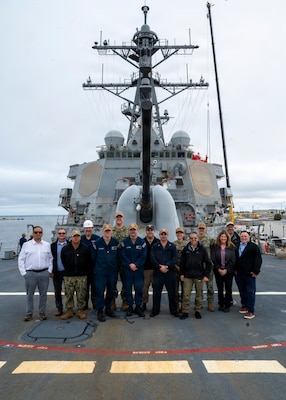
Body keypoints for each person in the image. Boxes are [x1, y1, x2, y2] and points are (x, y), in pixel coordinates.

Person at [18, 226, 53, 321]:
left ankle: (42, 312)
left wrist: (49, 270)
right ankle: (29, 313)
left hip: (44, 273)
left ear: (42, 233)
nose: (38, 234)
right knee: (30, 294)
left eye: (40, 232)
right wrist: (23, 273)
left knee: (43, 294)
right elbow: (21, 259)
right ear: (33, 233)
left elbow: (50, 258)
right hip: (31, 273)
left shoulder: (47, 245)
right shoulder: (26, 245)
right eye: (36, 232)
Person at [61, 230, 93, 320]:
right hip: (68, 276)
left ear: (80, 237)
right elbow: (63, 260)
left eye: (78, 236)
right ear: (71, 237)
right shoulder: (65, 249)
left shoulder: (85, 249)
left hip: (81, 276)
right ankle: (69, 310)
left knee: (81, 294)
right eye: (74, 236)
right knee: (69, 294)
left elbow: (88, 262)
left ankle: (80, 310)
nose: (76, 237)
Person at [180, 232, 212, 320]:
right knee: (186, 294)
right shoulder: (186, 249)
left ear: (198, 239)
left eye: (195, 238)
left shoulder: (202, 249)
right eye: (191, 238)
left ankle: (197, 311)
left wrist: (206, 275)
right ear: (188, 239)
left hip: (199, 275)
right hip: (188, 275)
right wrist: (182, 274)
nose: (193, 240)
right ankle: (185, 311)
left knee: (199, 294)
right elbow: (182, 263)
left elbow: (208, 263)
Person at [93, 224, 120, 322]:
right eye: (106, 230)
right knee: (99, 291)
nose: (107, 232)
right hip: (100, 272)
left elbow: (118, 257)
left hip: (112, 272)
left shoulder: (115, 243)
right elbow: (93, 258)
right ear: (103, 231)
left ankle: (108, 308)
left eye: (109, 231)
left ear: (111, 231)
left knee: (111, 291)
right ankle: (100, 310)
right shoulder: (97, 243)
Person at [150, 228, 178, 318]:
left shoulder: (172, 246)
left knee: (172, 292)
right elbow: (152, 258)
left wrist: (167, 266)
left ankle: (173, 310)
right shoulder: (155, 246)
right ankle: (155, 310)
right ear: (160, 235)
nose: (163, 235)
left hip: (169, 272)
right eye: (162, 234)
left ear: (167, 235)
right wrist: (159, 266)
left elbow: (175, 258)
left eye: (165, 234)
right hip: (158, 272)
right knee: (156, 292)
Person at [120, 223, 147, 317]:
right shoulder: (124, 243)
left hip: (138, 270)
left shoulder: (142, 242)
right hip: (127, 270)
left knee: (138, 288)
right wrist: (130, 264)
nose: (132, 231)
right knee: (128, 289)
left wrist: (136, 264)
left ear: (137, 230)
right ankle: (130, 306)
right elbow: (123, 255)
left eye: (134, 229)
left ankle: (138, 306)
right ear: (129, 231)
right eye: (131, 230)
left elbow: (143, 256)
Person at [235, 231, 262, 320]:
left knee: (250, 292)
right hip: (239, 273)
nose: (243, 238)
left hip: (249, 274)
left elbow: (258, 260)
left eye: (245, 236)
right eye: (242, 236)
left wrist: (255, 271)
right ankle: (245, 305)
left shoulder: (254, 247)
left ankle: (251, 310)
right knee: (242, 291)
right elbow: (235, 258)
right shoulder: (237, 246)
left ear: (249, 237)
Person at [211, 230, 236, 312]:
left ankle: (227, 304)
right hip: (218, 271)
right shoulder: (215, 247)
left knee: (228, 288)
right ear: (219, 238)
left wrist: (226, 269)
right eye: (222, 236)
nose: (223, 238)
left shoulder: (231, 247)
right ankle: (221, 303)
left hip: (228, 271)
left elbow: (233, 260)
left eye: (225, 237)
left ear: (227, 238)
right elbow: (213, 258)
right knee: (220, 288)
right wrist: (218, 269)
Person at [81, 220, 100, 310]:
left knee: (95, 288)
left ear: (92, 228)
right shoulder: (80, 239)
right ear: (84, 229)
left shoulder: (97, 239)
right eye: (86, 228)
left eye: (89, 228)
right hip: (84, 268)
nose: (88, 229)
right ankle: (84, 305)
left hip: (95, 268)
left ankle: (95, 305)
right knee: (84, 289)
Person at [112, 211, 129, 311]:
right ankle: (112, 301)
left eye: (120, 217)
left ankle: (124, 301)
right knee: (112, 281)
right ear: (115, 218)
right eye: (117, 217)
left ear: (123, 219)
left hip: (124, 260)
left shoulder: (127, 231)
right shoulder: (111, 231)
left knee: (125, 281)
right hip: (113, 261)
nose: (119, 219)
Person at [197, 222, 215, 311]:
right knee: (199, 286)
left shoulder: (210, 239)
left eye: (202, 229)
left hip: (208, 266)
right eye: (200, 229)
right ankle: (199, 303)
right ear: (198, 229)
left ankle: (210, 302)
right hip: (198, 266)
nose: (201, 230)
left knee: (210, 285)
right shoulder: (194, 239)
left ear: (205, 229)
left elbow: (215, 250)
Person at [50, 228, 68, 316]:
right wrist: (51, 271)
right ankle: (59, 308)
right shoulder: (52, 246)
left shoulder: (70, 245)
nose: (61, 235)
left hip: (67, 272)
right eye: (60, 233)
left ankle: (69, 308)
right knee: (57, 291)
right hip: (56, 272)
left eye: (63, 233)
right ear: (57, 235)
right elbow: (50, 259)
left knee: (69, 291)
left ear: (66, 235)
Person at [142, 225, 159, 311]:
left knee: (156, 288)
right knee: (144, 289)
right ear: (146, 231)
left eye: (151, 230)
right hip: (145, 269)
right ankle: (144, 304)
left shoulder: (158, 242)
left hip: (156, 269)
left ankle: (155, 306)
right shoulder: (142, 242)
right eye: (148, 230)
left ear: (154, 231)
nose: (150, 232)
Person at [173, 227, 188, 312]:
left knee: (184, 289)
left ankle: (183, 306)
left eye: (181, 233)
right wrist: (175, 266)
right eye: (178, 233)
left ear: (183, 234)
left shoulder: (187, 244)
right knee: (175, 289)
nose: (179, 234)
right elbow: (170, 257)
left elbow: (189, 257)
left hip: (184, 270)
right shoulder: (172, 244)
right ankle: (176, 306)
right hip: (175, 269)